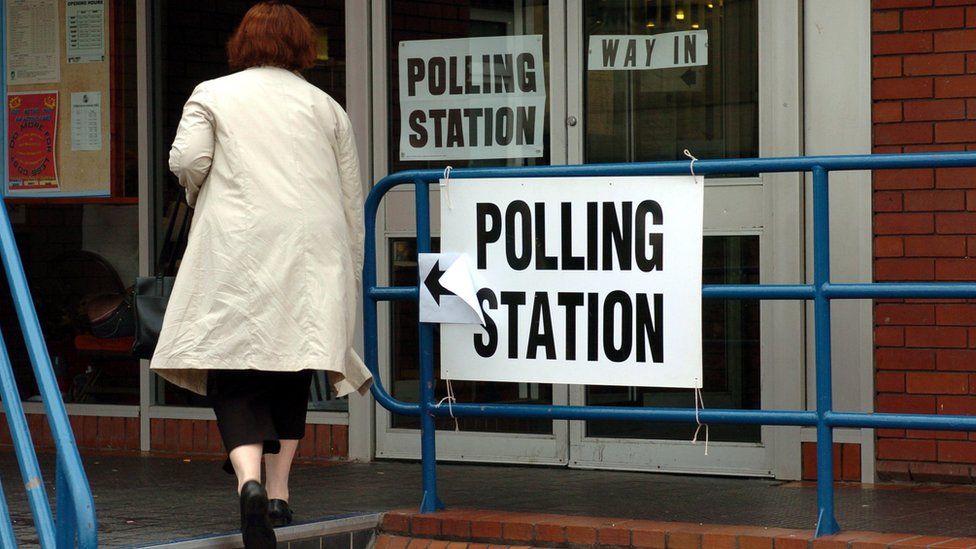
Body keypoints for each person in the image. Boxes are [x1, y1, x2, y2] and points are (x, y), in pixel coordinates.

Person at [150, 3, 372, 547]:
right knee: (292, 364)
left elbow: (187, 161)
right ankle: (278, 496)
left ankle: (247, 483)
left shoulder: (213, 94)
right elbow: (351, 195)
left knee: (235, 367)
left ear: (241, 43)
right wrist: (351, 267)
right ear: (302, 48)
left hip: (240, 245)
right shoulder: (327, 108)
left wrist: (203, 192)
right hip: (311, 248)